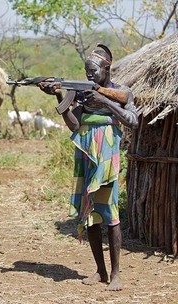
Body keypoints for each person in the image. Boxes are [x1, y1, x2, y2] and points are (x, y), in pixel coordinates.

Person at [38, 44, 138, 291]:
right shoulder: (83, 95)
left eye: (93, 70)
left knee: (110, 213)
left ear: (107, 67)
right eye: (86, 71)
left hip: (107, 154)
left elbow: (133, 121)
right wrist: (60, 97)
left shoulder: (122, 91)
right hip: (86, 153)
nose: (89, 75)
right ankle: (100, 270)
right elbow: (74, 126)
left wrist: (103, 99)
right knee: (91, 212)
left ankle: (115, 274)